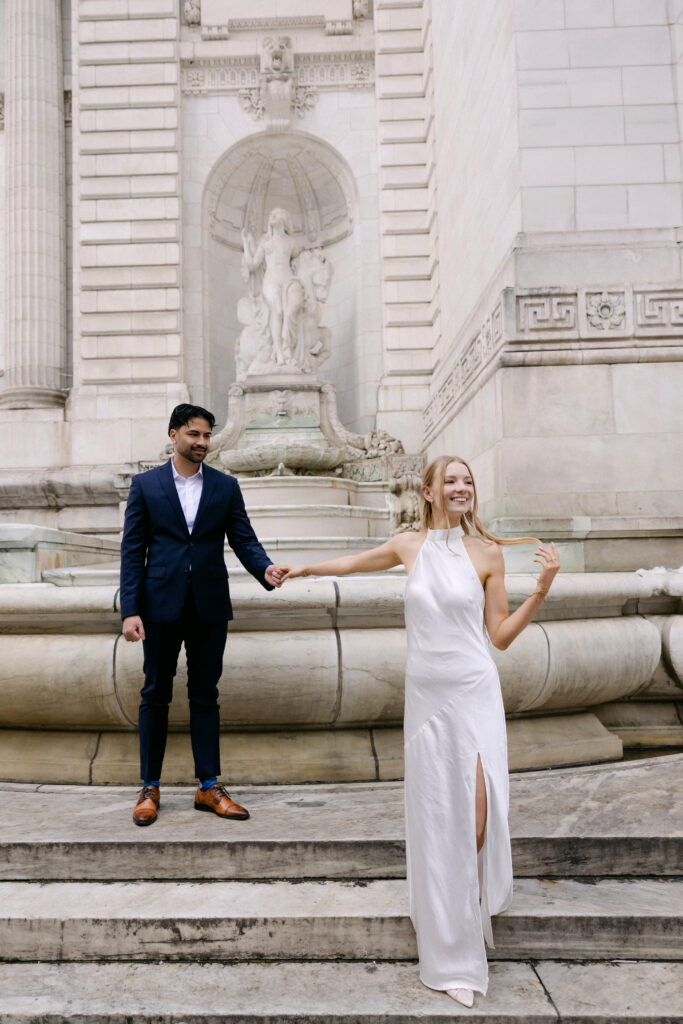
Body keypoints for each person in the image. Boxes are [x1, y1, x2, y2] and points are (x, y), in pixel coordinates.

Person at [283, 455, 559, 1007]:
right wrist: (303, 570)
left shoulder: (487, 553)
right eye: (451, 481)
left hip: (473, 693)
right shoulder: (409, 545)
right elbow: (356, 563)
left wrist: (542, 589)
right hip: (427, 699)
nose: (462, 488)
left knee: (478, 819)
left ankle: (469, 914)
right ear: (429, 492)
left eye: (468, 481)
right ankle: (450, 941)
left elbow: (499, 636)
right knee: (440, 818)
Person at [120, 403, 287, 826]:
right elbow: (131, 551)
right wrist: (131, 610)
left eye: (207, 436)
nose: (202, 443)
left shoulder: (225, 487)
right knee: (155, 693)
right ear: (174, 434)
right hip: (159, 606)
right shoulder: (145, 486)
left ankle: (208, 786)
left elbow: (244, 540)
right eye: (195, 434)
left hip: (210, 606)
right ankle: (149, 787)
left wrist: (264, 569)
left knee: (205, 694)